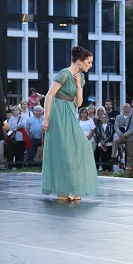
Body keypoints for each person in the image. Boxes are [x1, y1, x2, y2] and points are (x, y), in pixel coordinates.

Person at [41, 46, 99, 202]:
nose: (90, 65)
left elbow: (79, 103)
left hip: (70, 112)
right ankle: (64, 190)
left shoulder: (81, 77)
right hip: (58, 113)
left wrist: (79, 85)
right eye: (89, 62)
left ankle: (72, 188)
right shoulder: (64, 73)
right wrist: (46, 118)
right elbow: (49, 96)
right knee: (63, 151)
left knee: (81, 147)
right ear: (80, 61)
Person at [113, 103, 133, 169]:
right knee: (115, 141)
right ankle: (113, 157)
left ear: (130, 108)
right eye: (125, 107)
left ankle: (128, 169)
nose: (126, 108)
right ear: (122, 108)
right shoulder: (118, 117)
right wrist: (120, 134)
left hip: (131, 138)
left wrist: (125, 135)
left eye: (127, 107)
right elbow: (116, 126)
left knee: (130, 155)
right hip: (121, 136)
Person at [6, 105, 28, 169]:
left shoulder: (22, 118)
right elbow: (9, 127)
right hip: (12, 138)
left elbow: (23, 124)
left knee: (20, 153)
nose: (15, 111)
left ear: (19, 111)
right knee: (11, 153)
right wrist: (17, 127)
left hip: (21, 138)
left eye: (16, 110)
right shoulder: (11, 119)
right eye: (14, 110)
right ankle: (9, 166)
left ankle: (19, 166)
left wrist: (14, 127)